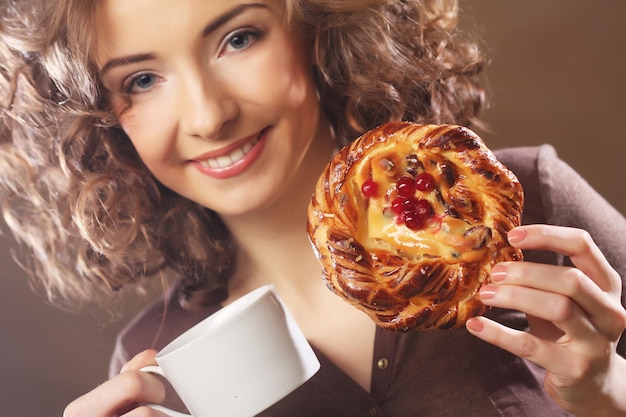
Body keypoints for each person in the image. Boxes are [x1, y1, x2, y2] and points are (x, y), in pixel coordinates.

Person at [1, 0, 625, 416]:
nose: (209, 114)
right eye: (141, 80)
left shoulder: (532, 208)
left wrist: (605, 391)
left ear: (316, 27)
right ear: (102, 119)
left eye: (238, 39)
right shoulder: (157, 370)